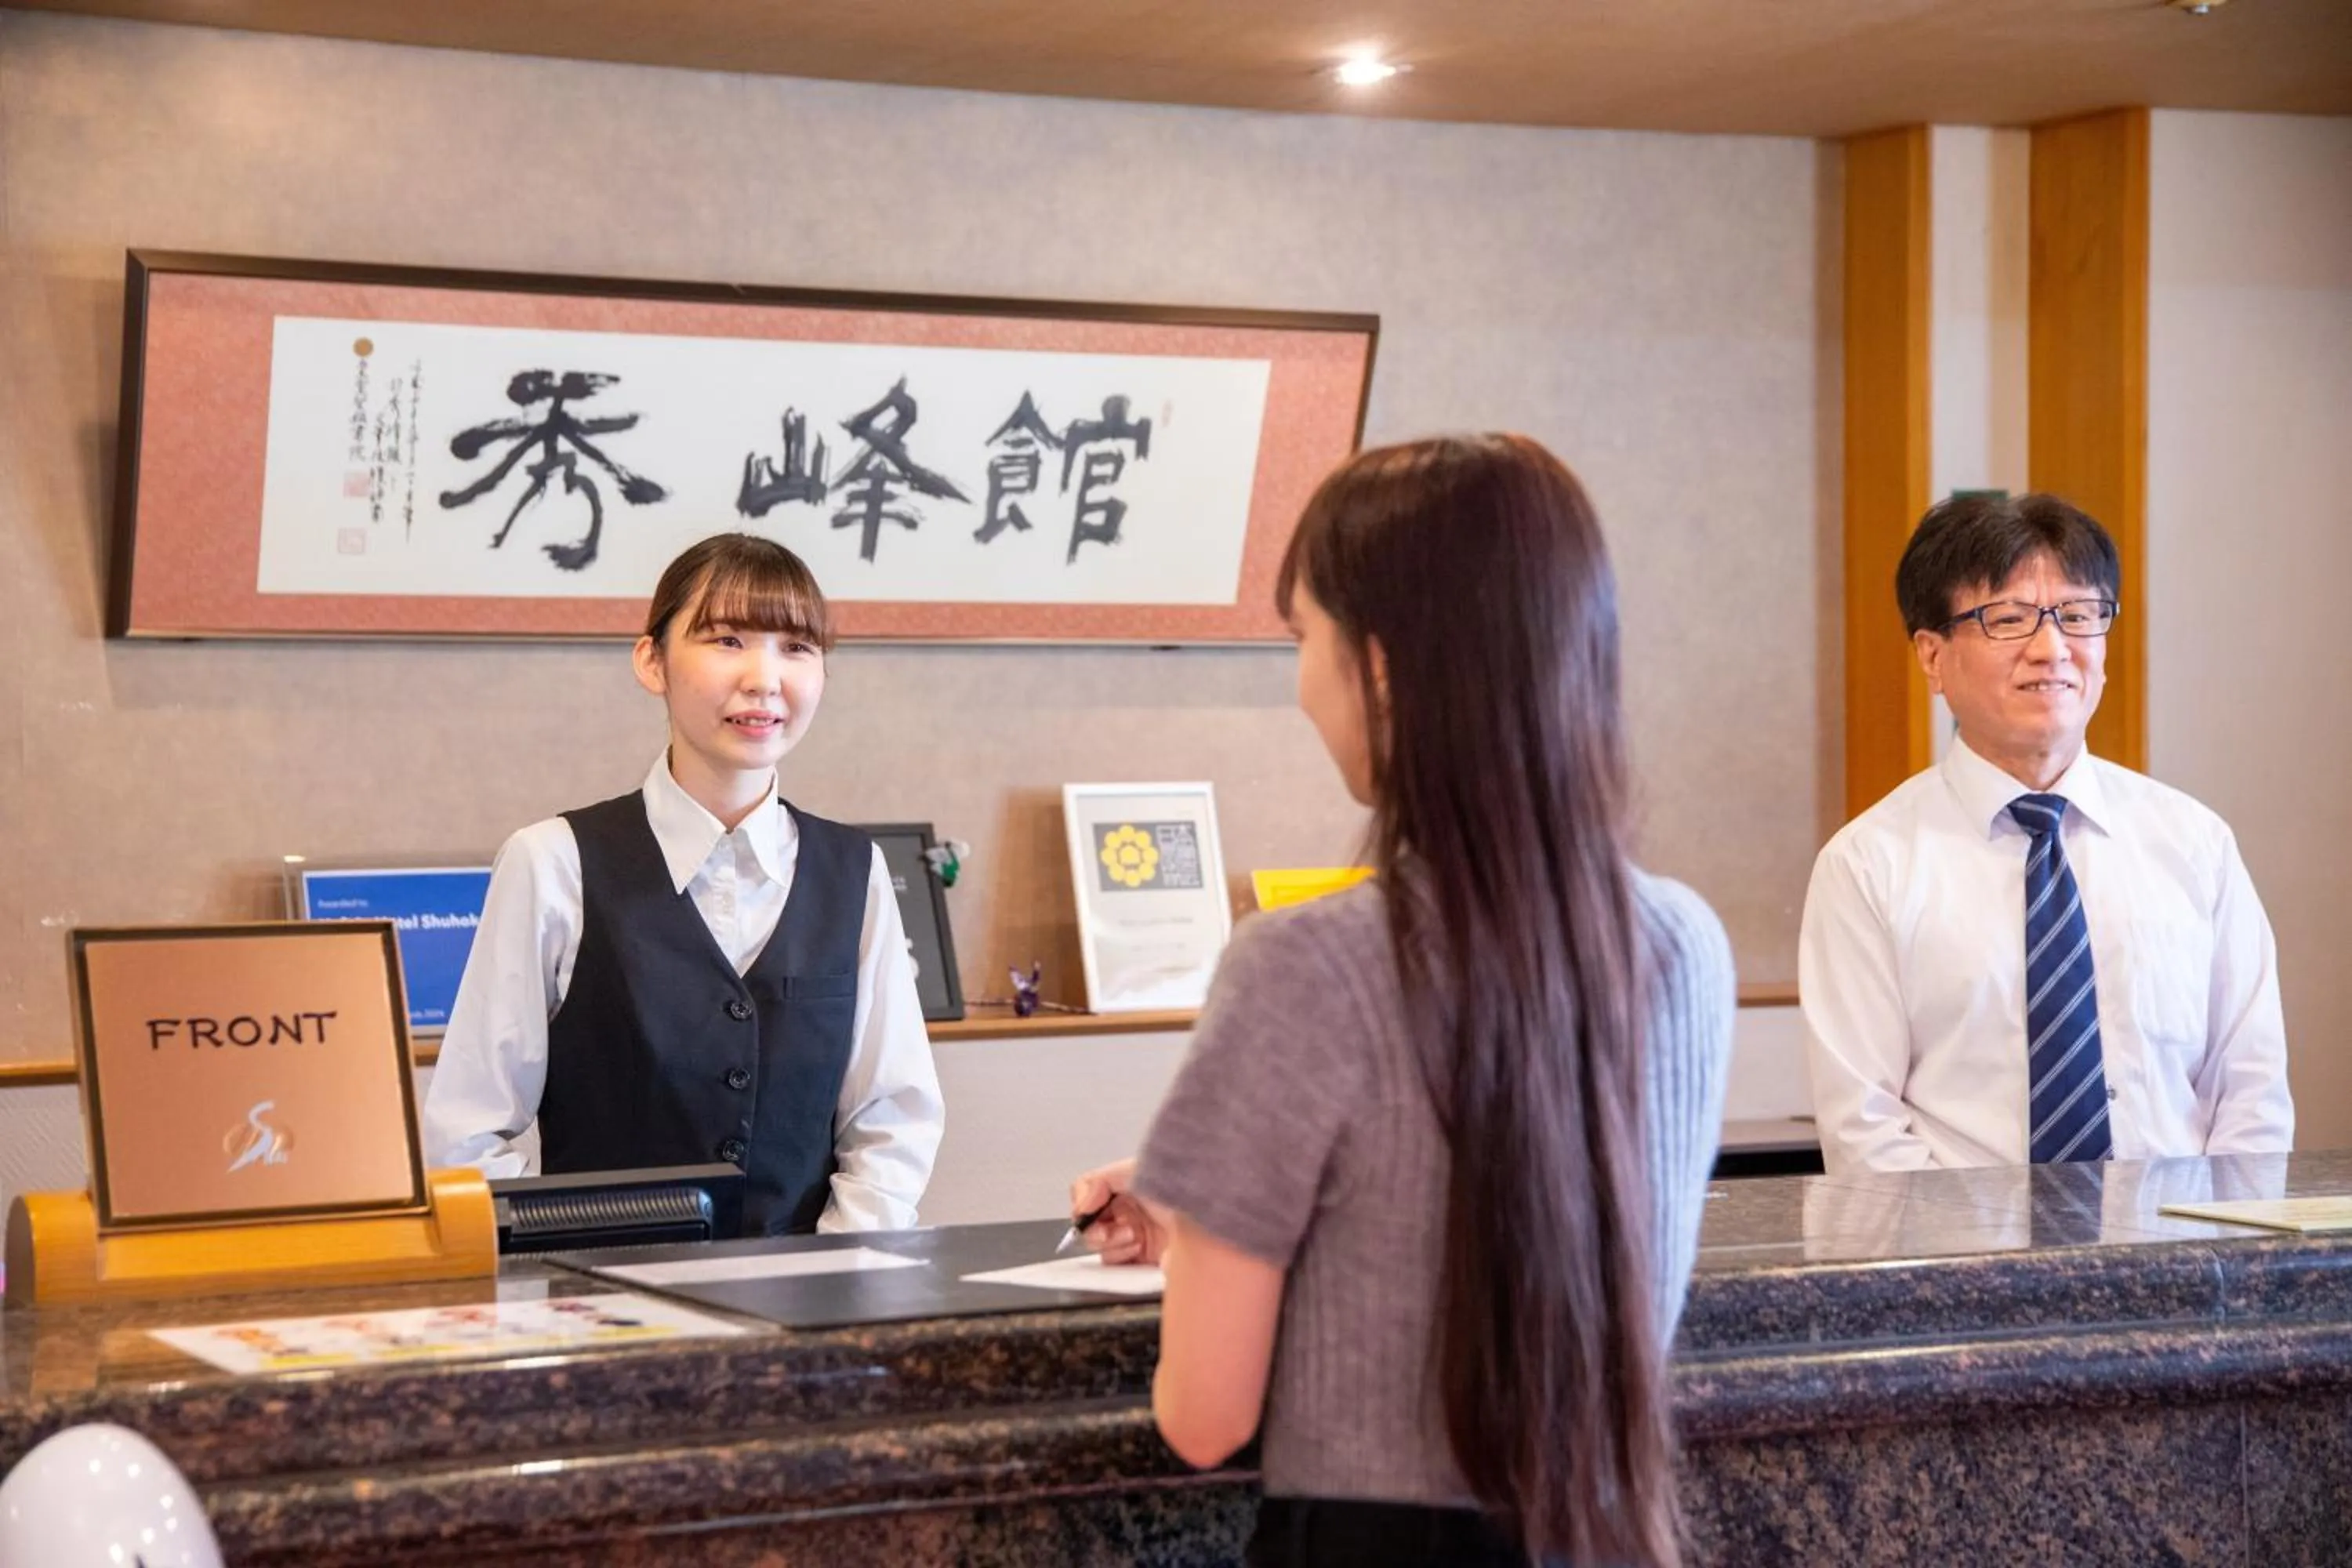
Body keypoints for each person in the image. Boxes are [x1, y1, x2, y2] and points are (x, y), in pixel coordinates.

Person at [1069, 436, 1735, 1568]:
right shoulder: (1687, 945)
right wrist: (1226, 1186)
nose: (1300, 684)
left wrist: (1212, 1225)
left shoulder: (1304, 964)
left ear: (1378, 668)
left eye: (1302, 638)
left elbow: (1204, 1414)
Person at [423, 533, 942, 1234]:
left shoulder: (856, 870)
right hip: (600, 1291)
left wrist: (835, 1272)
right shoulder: (552, 862)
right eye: (727, 640)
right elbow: (465, 1133)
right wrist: (563, 1258)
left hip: (816, 1290)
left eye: (796, 647)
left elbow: (892, 1118)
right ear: (652, 661)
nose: (765, 679)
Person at [1801, 492, 2292, 1174]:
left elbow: (2253, 1096)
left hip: (2182, 1237)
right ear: (1932, 656)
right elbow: (1865, 1130)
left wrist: (2218, 1237)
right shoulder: (1867, 865)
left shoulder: (2195, 843)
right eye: (2008, 620)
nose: (2052, 649)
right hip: (1961, 1243)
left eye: (2079, 616)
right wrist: (1980, 1251)